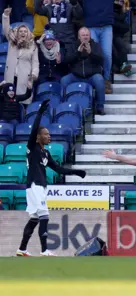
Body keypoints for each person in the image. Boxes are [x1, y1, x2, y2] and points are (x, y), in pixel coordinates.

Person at [16, 99, 86, 257]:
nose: (49, 136)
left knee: (34, 218)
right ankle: (44, 250)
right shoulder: (32, 148)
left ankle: (22, 249)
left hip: (39, 187)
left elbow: (58, 169)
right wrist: (40, 113)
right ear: (38, 137)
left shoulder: (46, 153)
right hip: (35, 186)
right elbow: (33, 130)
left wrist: (76, 172)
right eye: (46, 134)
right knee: (44, 216)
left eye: (49, 134)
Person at [61, 27, 105, 115]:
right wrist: (77, 53)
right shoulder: (73, 45)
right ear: (79, 37)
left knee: (99, 80)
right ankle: (64, 104)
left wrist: (90, 53)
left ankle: (100, 106)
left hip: (91, 75)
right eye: (83, 35)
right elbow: (67, 60)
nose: (85, 37)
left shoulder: (95, 45)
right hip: (76, 75)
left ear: (90, 36)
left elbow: (101, 61)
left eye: (87, 35)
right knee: (64, 80)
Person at [2, 7, 39, 103]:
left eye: (25, 31)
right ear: (17, 33)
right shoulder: (12, 42)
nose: (23, 33)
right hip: (10, 77)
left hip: (24, 78)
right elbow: (6, 29)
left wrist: (34, 75)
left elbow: (35, 63)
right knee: (9, 103)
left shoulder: (33, 46)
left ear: (28, 33)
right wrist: (6, 16)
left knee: (22, 103)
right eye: (20, 31)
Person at [82, 0, 114, 94]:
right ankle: (96, 80)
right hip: (91, 25)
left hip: (106, 25)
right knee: (93, 54)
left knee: (107, 55)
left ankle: (106, 80)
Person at [112, 0, 133, 76]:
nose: (120, 3)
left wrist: (123, 14)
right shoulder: (110, 10)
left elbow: (126, 27)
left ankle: (124, 67)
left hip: (117, 35)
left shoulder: (122, 13)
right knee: (116, 49)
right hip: (109, 34)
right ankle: (121, 67)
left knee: (123, 47)